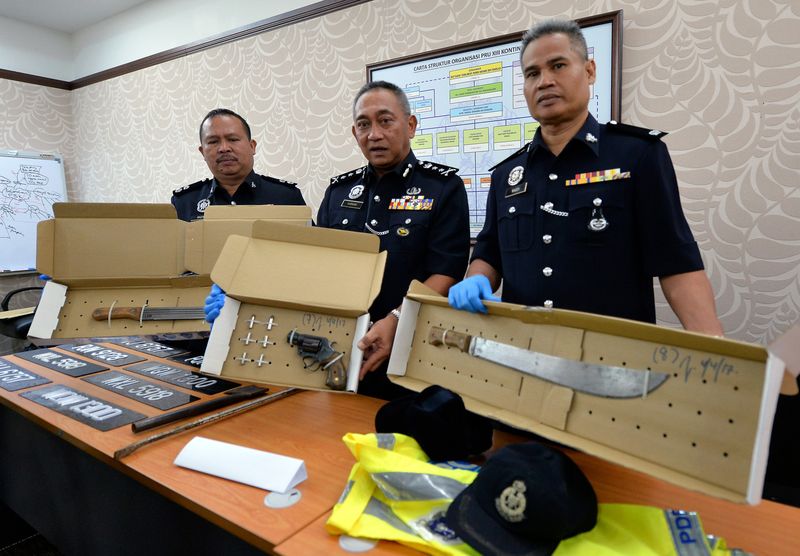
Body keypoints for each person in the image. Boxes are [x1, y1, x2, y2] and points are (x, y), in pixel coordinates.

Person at [448, 19, 723, 336]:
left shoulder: (637, 155)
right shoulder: (507, 174)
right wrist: (476, 278)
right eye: (532, 73)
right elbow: (489, 253)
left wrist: (715, 353)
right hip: (521, 353)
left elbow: (677, 263)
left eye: (558, 65)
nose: (544, 81)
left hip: (612, 357)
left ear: (590, 71)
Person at [318, 81, 471, 398]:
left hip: (413, 348)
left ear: (410, 125)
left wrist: (396, 319)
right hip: (343, 348)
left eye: (385, 121)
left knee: (401, 438)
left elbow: (447, 272)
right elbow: (323, 267)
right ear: (354, 132)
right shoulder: (338, 193)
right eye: (363, 124)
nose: (374, 134)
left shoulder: (443, 188)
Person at [171, 108, 305, 221]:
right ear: (202, 152)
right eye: (213, 142)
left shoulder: (286, 197)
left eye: (233, 139)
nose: (224, 148)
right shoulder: (184, 202)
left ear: (252, 146)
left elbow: (309, 249)